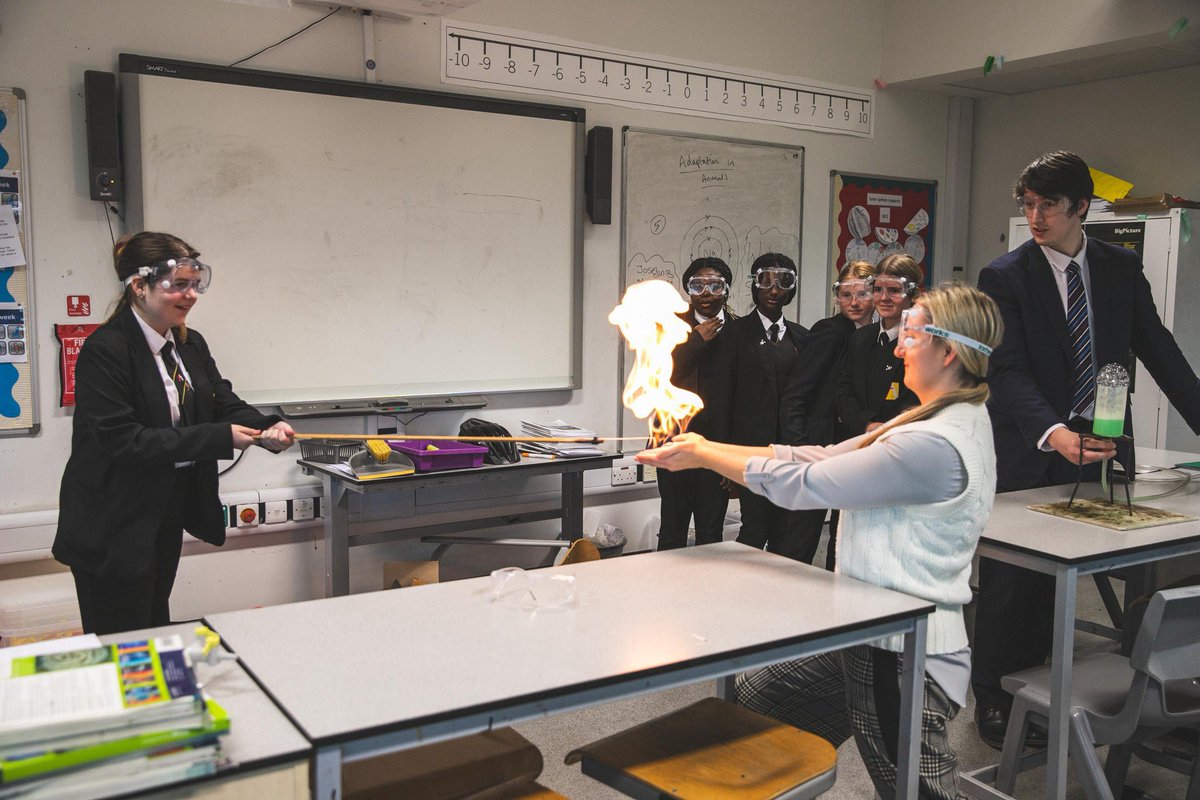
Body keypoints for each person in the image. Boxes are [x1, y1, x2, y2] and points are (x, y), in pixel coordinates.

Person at [638, 285, 1004, 800]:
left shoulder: (934, 443)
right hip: (866, 630)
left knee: (919, 792)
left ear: (949, 351)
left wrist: (704, 458)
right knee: (756, 708)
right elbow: (820, 457)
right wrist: (703, 444)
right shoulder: (926, 418)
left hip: (901, 652)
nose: (898, 347)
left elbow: (808, 487)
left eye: (912, 335)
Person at [971, 150, 1200, 748]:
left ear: (1081, 208)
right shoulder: (1006, 274)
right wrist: (1053, 432)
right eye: (1028, 204)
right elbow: (1009, 368)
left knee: (1064, 581)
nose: (1036, 215)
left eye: (1048, 205)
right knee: (1011, 578)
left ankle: (1042, 691)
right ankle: (994, 697)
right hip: (1031, 444)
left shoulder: (1120, 267)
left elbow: (1161, 354)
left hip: (1099, 442)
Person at [54, 232, 296, 635]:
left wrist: (266, 425)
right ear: (138, 286)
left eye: (194, 284)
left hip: (163, 510)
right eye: (178, 285)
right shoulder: (106, 350)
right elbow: (125, 441)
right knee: (123, 640)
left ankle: (157, 697)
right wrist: (220, 438)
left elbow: (220, 400)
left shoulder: (189, 343)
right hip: (113, 522)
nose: (191, 295)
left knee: (153, 626)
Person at [710, 253, 811, 560]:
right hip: (750, 452)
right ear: (754, 286)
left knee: (784, 530)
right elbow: (721, 399)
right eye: (765, 281)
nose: (774, 289)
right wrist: (725, 458)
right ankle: (742, 597)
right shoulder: (733, 334)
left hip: (788, 454)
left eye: (783, 281)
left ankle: (776, 598)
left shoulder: (802, 338)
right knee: (754, 529)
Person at [782, 260, 876, 570]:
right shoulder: (830, 331)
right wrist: (798, 445)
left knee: (843, 532)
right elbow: (798, 392)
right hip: (819, 446)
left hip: (853, 447)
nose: (854, 302)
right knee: (802, 536)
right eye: (845, 294)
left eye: (862, 294)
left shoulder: (878, 336)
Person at [655, 257, 737, 550]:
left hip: (718, 448)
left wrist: (732, 460)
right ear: (688, 290)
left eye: (715, 286)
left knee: (711, 529)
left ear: (726, 291)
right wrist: (695, 341)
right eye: (698, 286)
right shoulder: (669, 328)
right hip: (674, 443)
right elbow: (655, 374)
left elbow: (744, 398)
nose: (706, 293)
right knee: (673, 527)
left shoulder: (739, 331)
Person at [835, 254, 921, 438]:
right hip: (857, 439)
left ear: (913, 294)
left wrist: (882, 429)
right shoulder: (861, 337)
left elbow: (917, 400)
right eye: (878, 289)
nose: (884, 298)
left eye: (894, 290)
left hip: (900, 442)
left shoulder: (923, 342)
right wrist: (866, 424)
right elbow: (844, 390)